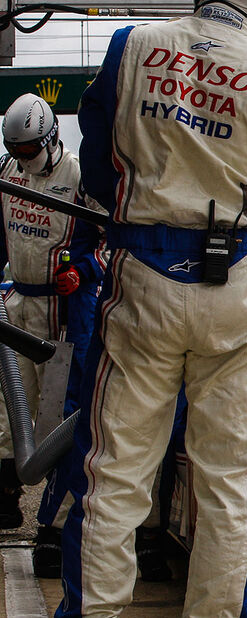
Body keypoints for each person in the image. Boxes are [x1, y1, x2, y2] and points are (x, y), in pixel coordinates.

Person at [64, 0, 247, 615]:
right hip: (238, 289)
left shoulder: (131, 47)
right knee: (232, 490)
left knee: (112, 477)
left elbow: (96, 166)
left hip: (139, 277)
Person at [0, 94, 106, 548]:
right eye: (16, 151)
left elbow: (110, 240)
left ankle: (55, 524)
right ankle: (5, 494)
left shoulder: (81, 177)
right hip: (17, 303)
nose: (23, 160)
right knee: (9, 407)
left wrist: (82, 272)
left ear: (50, 137)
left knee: (58, 419)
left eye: (29, 151)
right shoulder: (6, 172)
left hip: (65, 313)